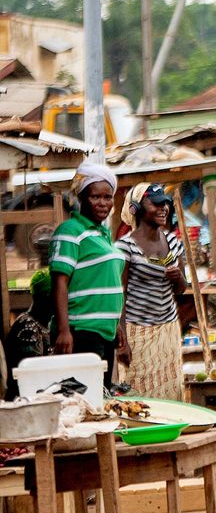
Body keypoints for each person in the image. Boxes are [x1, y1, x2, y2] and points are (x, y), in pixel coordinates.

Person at [50, 162, 127, 390]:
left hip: (105, 332)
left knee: (100, 397)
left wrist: (117, 325)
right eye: (95, 197)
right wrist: (64, 331)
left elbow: (109, 282)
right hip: (82, 331)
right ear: (82, 197)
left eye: (108, 197)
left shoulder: (102, 234)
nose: (103, 203)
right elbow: (59, 283)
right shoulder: (69, 232)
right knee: (85, 397)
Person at [116, 183, 187, 401]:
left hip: (167, 331)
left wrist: (179, 278)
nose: (163, 208)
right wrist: (123, 340)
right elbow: (121, 295)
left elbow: (181, 290)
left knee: (170, 390)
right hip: (138, 332)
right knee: (137, 392)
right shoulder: (125, 247)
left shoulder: (173, 242)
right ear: (136, 208)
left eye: (165, 203)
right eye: (155, 203)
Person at [4, 269, 53, 400]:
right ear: (47, 298)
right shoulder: (28, 328)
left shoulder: (42, 323)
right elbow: (34, 377)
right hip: (24, 403)